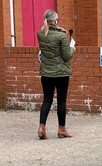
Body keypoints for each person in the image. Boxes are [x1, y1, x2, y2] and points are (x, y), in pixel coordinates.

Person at [37, 9, 75, 139]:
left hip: (46, 73)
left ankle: (42, 127)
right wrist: (72, 48)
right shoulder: (61, 35)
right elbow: (67, 56)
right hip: (61, 73)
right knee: (61, 101)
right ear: (56, 20)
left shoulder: (41, 34)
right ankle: (62, 129)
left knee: (47, 100)